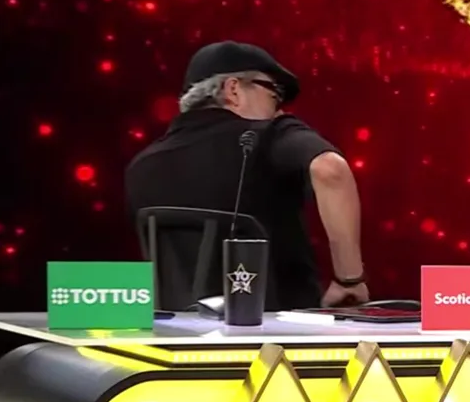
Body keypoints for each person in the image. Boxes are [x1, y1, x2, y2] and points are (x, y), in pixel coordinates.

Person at [125, 41, 368, 311]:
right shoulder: (268, 136)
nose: (279, 110)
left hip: (175, 331)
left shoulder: (141, 166)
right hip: (280, 331)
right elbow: (330, 169)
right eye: (274, 93)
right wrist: (349, 280)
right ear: (234, 90)